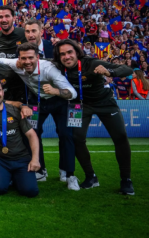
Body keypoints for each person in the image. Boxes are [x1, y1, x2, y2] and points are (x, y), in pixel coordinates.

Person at [52, 39, 135, 194]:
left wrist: (110, 72)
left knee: (121, 136)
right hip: (78, 105)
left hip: (104, 103)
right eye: (62, 54)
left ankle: (126, 179)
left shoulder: (93, 63)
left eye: (69, 52)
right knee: (76, 138)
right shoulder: (57, 67)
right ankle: (91, 177)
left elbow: (127, 70)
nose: (66, 56)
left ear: (77, 52)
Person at [0, 42, 79, 189]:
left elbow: (72, 92)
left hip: (59, 101)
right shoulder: (16, 64)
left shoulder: (49, 69)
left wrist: (56, 91)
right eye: (23, 58)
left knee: (66, 134)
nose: (27, 62)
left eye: (30, 58)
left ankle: (68, 173)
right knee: (31, 132)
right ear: (19, 59)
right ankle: (40, 170)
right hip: (37, 102)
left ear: (37, 57)